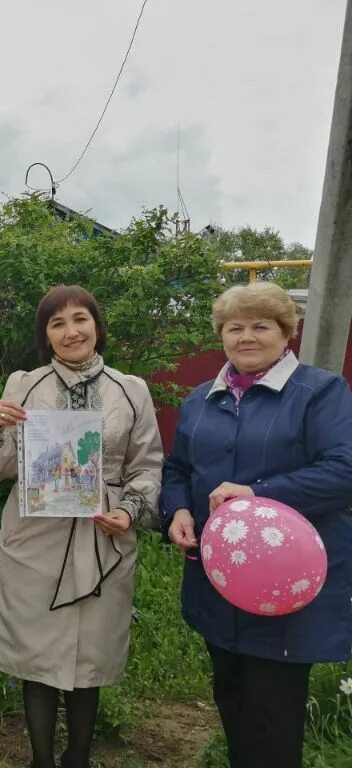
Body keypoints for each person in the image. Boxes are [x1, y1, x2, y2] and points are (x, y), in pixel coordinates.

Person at [0, 285, 162, 768]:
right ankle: (41, 760)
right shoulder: (24, 385)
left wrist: (130, 511)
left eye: (80, 319)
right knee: (37, 652)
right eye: (57, 323)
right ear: (45, 335)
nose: (71, 331)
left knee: (89, 656)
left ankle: (78, 756)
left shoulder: (130, 389)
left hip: (103, 536)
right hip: (37, 539)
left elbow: (147, 465)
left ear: (97, 325)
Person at [161, 282, 352, 768]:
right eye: (234, 327)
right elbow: (178, 469)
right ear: (221, 335)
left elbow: (344, 469)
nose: (246, 336)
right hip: (218, 584)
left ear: (286, 332)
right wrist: (177, 509)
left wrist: (258, 493)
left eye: (260, 326)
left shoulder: (320, 393)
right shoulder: (201, 399)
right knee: (232, 695)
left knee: (272, 714)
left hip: (287, 588)